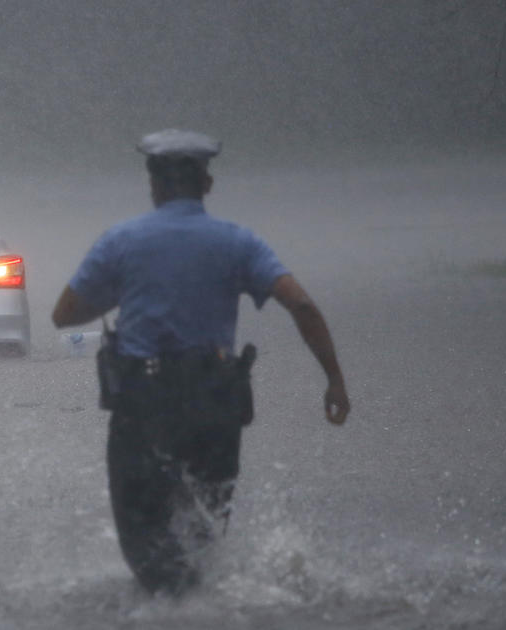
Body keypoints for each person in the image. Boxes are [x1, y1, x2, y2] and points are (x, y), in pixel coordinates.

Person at [51, 129, 350, 594]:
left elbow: (63, 314)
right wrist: (334, 381)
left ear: (153, 186)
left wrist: (122, 291)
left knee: (146, 546)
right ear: (206, 185)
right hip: (215, 406)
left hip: (142, 407)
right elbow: (304, 307)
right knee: (203, 538)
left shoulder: (120, 241)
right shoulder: (239, 242)